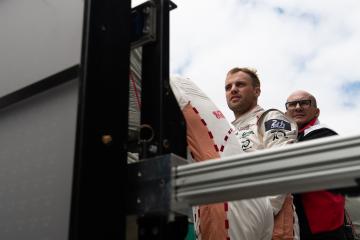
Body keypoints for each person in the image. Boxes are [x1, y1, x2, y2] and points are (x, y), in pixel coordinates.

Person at [225, 67, 299, 239]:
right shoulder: (227, 131)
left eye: (240, 84)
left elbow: (283, 164)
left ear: (256, 91)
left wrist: (261, 215)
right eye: (228, 87)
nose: (233, 89)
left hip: (270, 224)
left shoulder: (270, 118)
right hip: (235, 224)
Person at [285, 90, 347, 240]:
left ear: (316, 112)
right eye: (292, 104)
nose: (298, 107)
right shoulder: (291, 137)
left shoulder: (324, 134)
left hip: (322, 229)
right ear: (285, 113)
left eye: (304, 103)